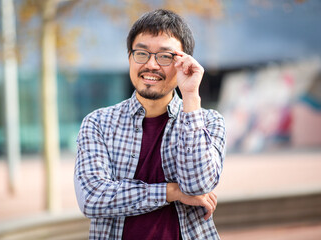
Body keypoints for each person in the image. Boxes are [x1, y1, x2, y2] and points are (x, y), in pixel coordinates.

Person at [74, 9, 226, 240]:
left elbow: (197, 185)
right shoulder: (98, 124)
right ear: (129, 58)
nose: (151, 65)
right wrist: (172, 191)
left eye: (165, 56)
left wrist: (191, 97)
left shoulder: (208, 122)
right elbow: (92, 199)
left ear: (184, 63)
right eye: (142, 53)